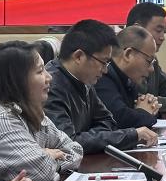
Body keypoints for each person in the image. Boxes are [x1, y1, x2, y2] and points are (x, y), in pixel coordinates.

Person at [0, 41, 83, 181]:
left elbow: (75, 150)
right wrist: (46, 155)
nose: (49, 77)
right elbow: (41, 173)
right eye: (40, 71)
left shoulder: (29, 111)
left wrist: (45, 157)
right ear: (16, 80)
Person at [45, 19, 158, 155]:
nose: (105, 70)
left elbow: (109, 122)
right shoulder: (49, 86)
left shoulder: (84, 80)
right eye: (103, 62)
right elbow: (69, 143)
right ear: (79, 56)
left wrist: (89, 137)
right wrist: (132, 135)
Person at [126, 2, 166, 114]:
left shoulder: (151, 58)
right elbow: (140, 101)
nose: (162, 37)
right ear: (137, 28)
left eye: (164, 31)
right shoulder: (124, 59)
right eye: (158, 30)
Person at [94, 25, 161, 129]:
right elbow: (121, 119)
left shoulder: (127, 80)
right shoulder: (103, 76)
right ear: (128, 54)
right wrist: (145, 112)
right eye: (149, 61)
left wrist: (150, 105)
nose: (152, 69)